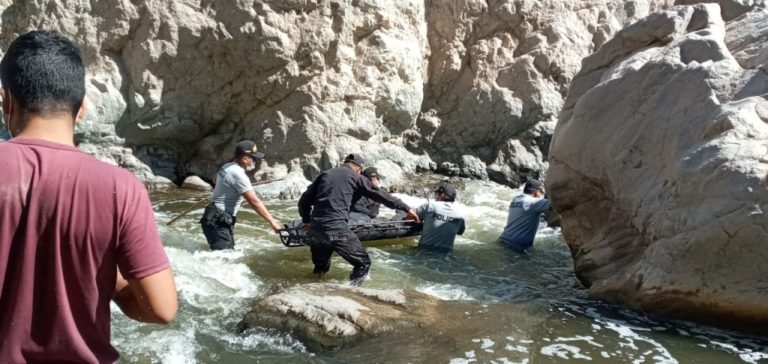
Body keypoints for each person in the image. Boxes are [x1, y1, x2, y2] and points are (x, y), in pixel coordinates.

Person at [0, 30, 178, 363]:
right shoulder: (120, 188)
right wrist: (105, 275)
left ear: (6, 101)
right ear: (81, 108)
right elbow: (162, 310)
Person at [298, 153, 420, 285]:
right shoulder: (356, 177)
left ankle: (312, 288)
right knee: (363, 263)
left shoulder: (325, 174)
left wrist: (306, 220)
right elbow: (380, 195)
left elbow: (303, 201)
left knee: (320, 268)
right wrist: (406, 208)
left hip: (316, 233)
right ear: (359, 168)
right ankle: (352, 292)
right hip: (337, 233)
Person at [200, 139, 282, 250]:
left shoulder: (227, 166)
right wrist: (272, 222)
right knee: (225, 259)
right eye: (253, 158)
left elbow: (215, 180)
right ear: (244, 158)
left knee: (225, 256)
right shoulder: (238, 174)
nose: (255, 161)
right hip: (218, 222)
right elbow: (254, 202)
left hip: (213, 217)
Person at [498, 178, 551, 252]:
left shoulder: (515, 200)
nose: (541, 195)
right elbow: (556, 203)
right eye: (541, 192)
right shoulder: (533, 202)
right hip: (516, 247)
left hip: (503, 240)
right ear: (536, 192)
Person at [414, 181, 467, 252]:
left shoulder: (430, 205)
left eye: (437, 194)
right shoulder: (461, 215)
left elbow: (410, 215)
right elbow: (460, 232)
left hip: (424, 251)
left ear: (442, 195)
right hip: (446, 255)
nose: (435, 197)